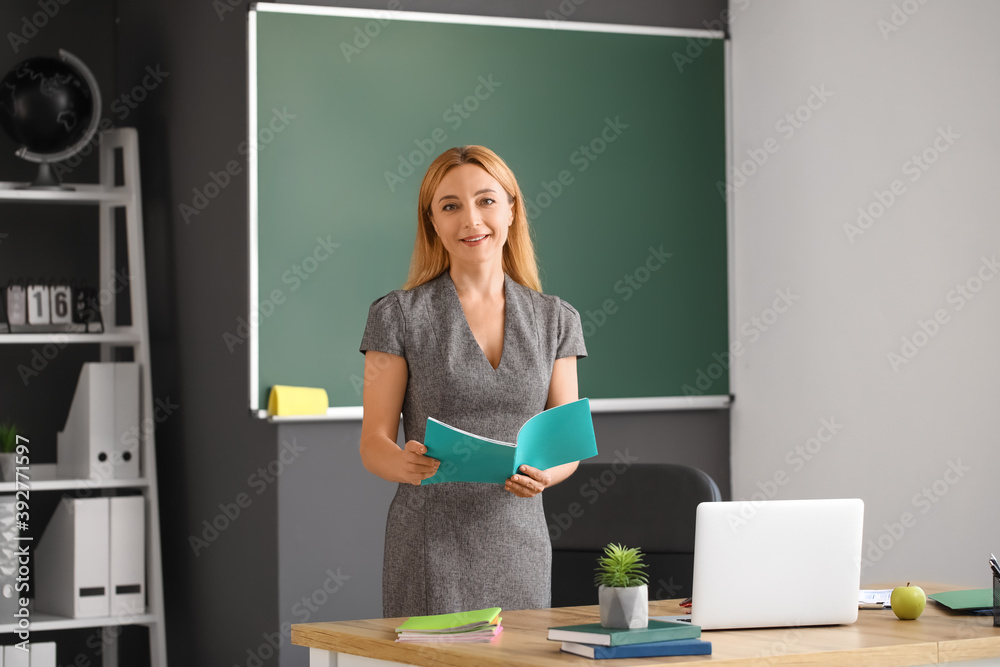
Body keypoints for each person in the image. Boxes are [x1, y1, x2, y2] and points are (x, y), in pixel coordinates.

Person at [359, 145, 588, 618]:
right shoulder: (397, 316)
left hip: (520, 541)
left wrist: (545, 475)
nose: (471, 220)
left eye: (485, 200)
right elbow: (372, 442)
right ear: (433, 222)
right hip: (430, 543)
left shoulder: (556, 320)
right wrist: (406, 464)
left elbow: (566, 446)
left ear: (510, 209)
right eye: (450, 206)